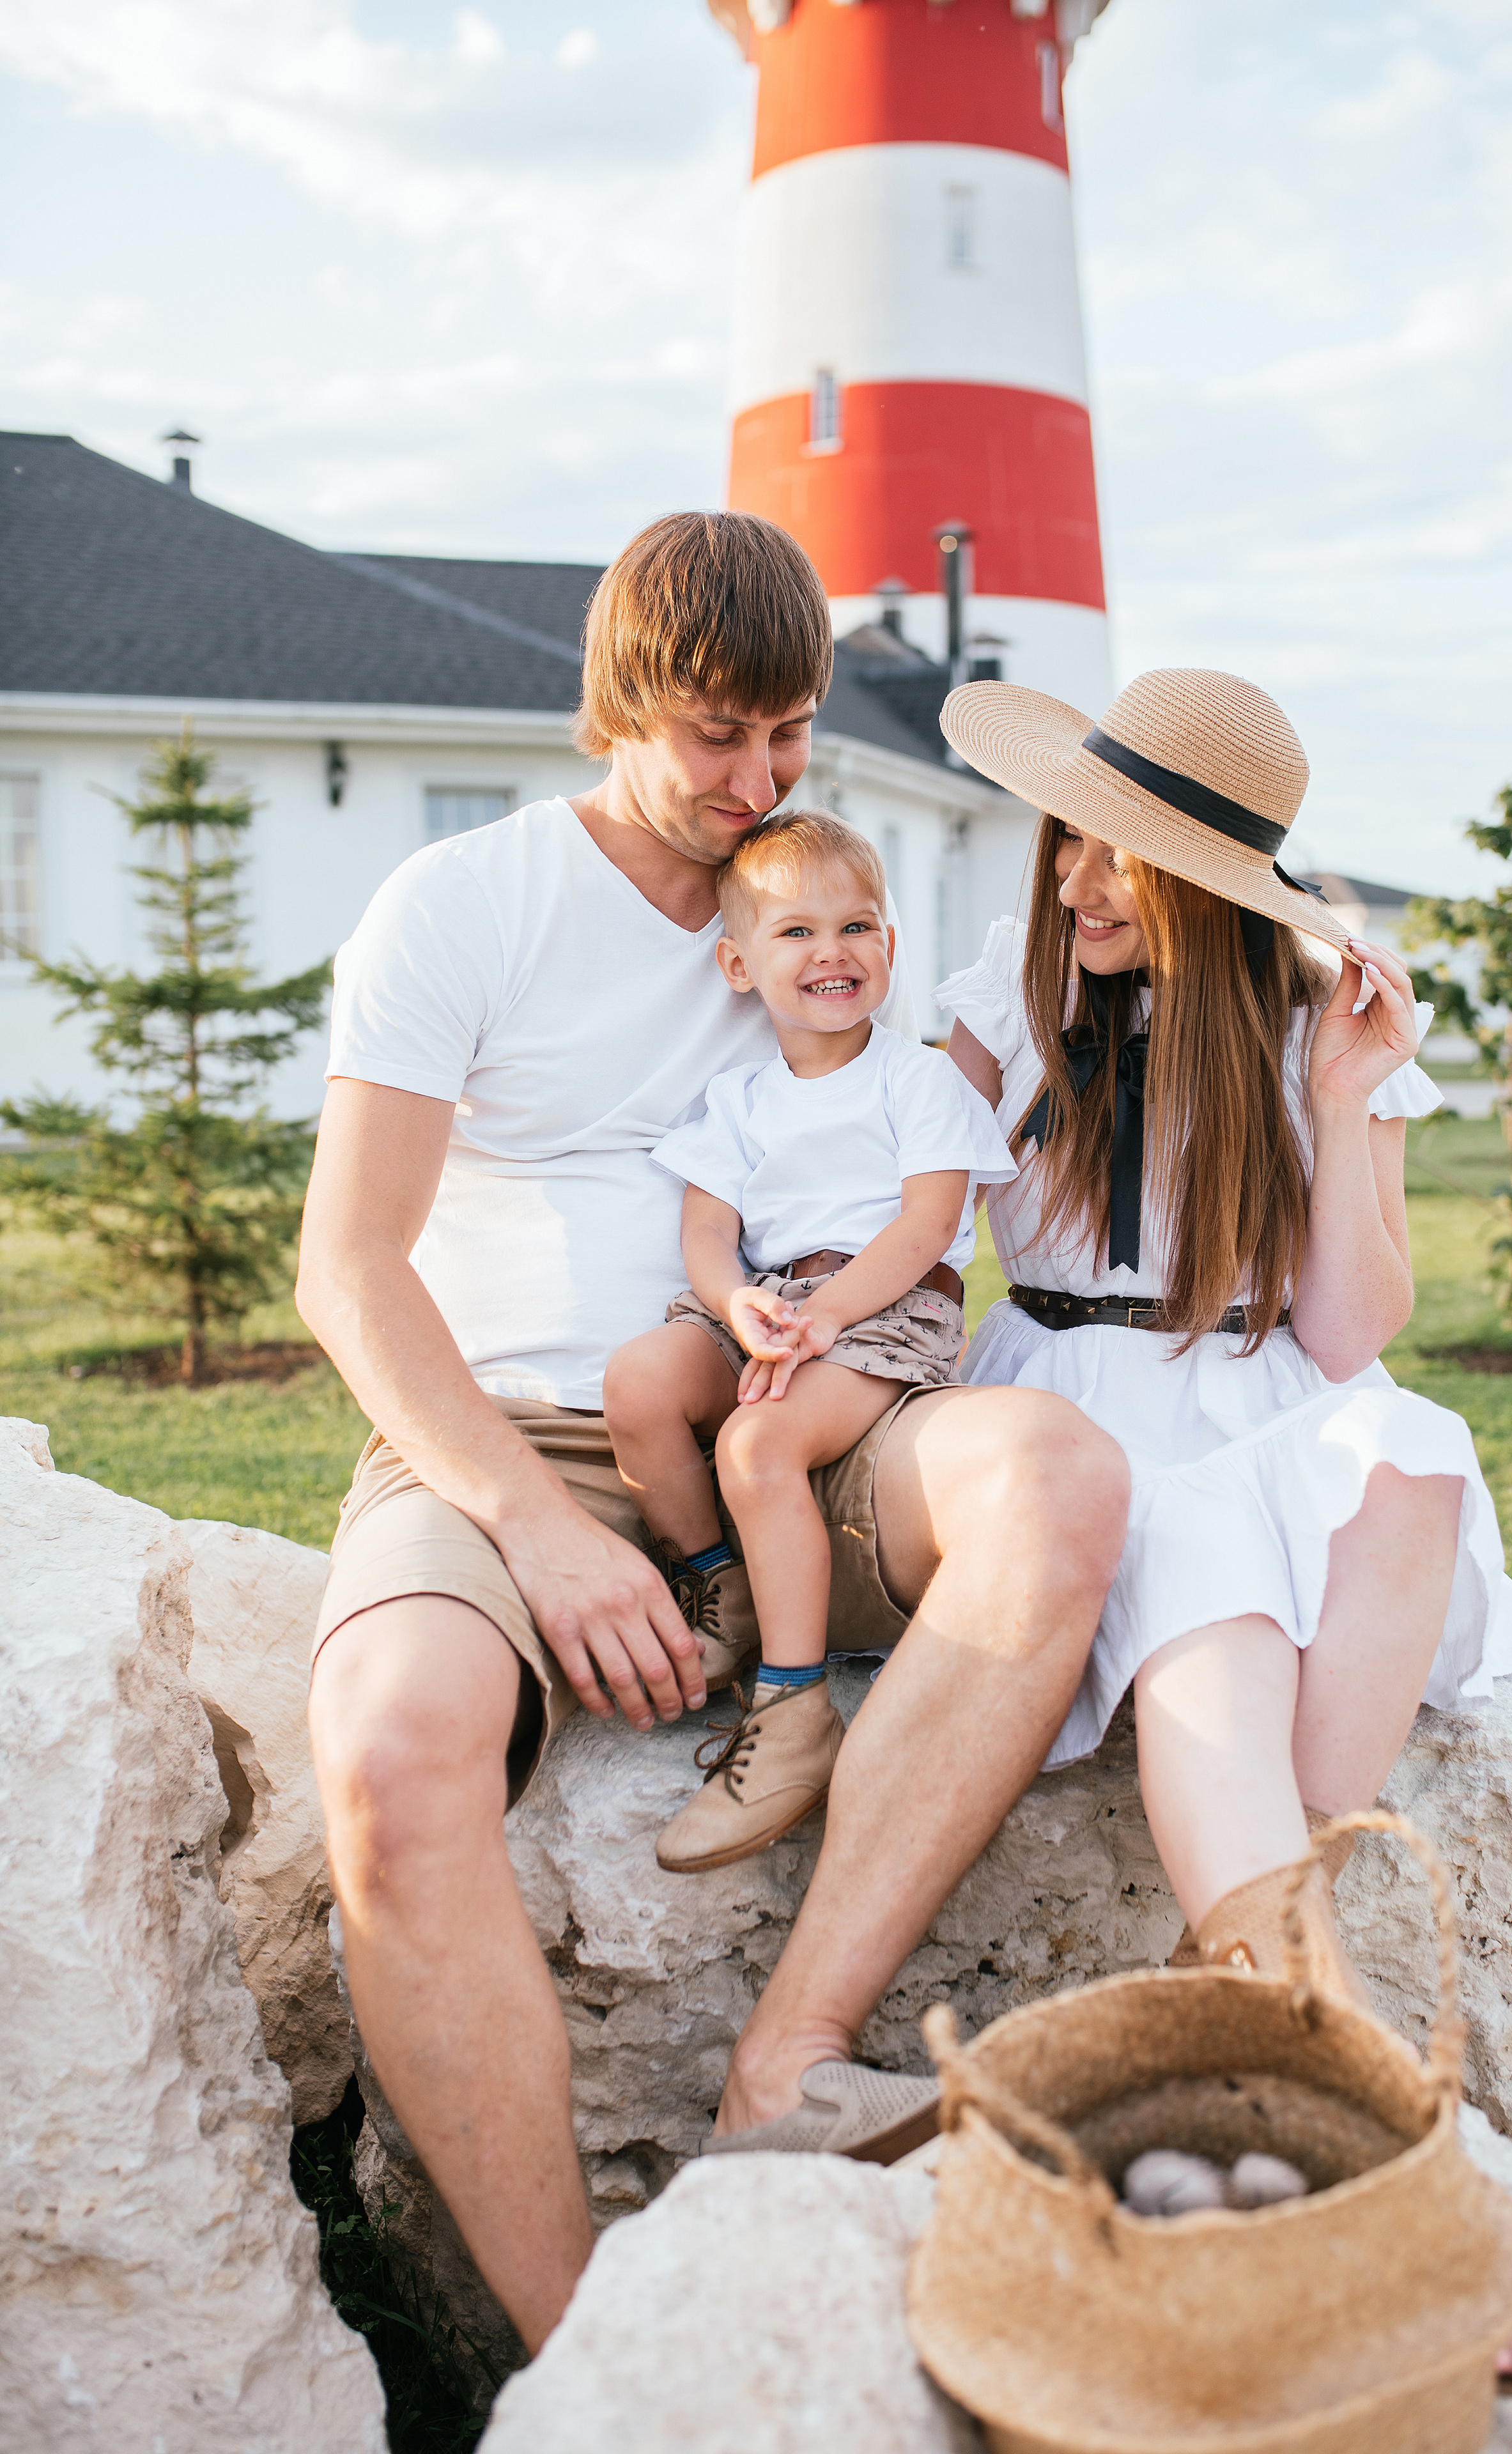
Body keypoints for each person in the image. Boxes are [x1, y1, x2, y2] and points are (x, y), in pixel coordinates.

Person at [296, 510, 1129, 2358]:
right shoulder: (465, 905)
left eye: (790, 735)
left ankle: (793, 2055)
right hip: (506, 1426)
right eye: (715, 737)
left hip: (814, 1400)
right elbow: (347, 1274)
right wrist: (535, 1527)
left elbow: (1053, 1001)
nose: (754, 782)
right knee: (387, 1748)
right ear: (619, 706)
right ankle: (584, 2355)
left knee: (1059, 1479)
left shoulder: (812, 906)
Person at [936, 667, 1512, 2393]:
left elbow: (1352, 1333)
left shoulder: (1301, 1016)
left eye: (1123, 862)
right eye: (1072, 840)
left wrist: (1355, 1095)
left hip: (1255, 1388)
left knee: (1416, 1455)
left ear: (1214, 890)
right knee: (1215, 1582)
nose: (1078, 883)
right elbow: (894, 1209)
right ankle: (1387, 2147)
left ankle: (1244, 1940)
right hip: (1072, 1406)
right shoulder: (1000, 990)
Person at [603, 810, 1017, 1873]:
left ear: (889, 947)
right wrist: (739, 1304)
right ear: (739, 964)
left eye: (856, 926)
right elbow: (706, 1231)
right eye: (795, 933)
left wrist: (825, 1319)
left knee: (757, 1445)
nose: (831, 952)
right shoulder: (737, 1098)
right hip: (767, 1304)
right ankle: (720, 1585)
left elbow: (928, 1226)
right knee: (641, 1384)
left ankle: (792, 1710)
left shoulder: (918, 1081)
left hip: (882, 1308)